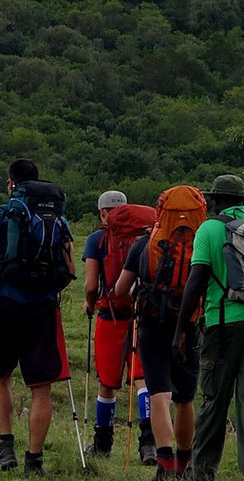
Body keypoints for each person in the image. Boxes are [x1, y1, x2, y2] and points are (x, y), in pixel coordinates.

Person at [0, 158, 74, 476]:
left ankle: (5, 447)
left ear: (11, 184)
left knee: (1, 374)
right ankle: (34, 462)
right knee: (42, 388)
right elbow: (70, 270)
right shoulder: (58, 219)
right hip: (44, 309)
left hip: (8, 303)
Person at [173, 174, 244, 481]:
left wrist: (181, 329)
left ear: (216, 201)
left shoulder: (210, 228)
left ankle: (202, 476)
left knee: (214, 400)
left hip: (223, 323)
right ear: (243, 202)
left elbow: (196, 281)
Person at [111, 185, 209, 481]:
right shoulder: (203, 244)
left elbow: (119, 290)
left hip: (152, 325)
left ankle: (164, 462)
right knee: (185, 398)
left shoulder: (145, 244)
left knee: (159, 394)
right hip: (189, 325)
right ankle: (185, 462)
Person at [80, 191, 152, 462]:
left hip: (110, 316)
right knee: (143, 379)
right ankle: (149, 443)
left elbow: (90, 286)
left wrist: (91, 303)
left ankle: (103, 444)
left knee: (107, 383)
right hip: (142, 316)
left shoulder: (96, 239)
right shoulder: (146, 236)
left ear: (101, 212)